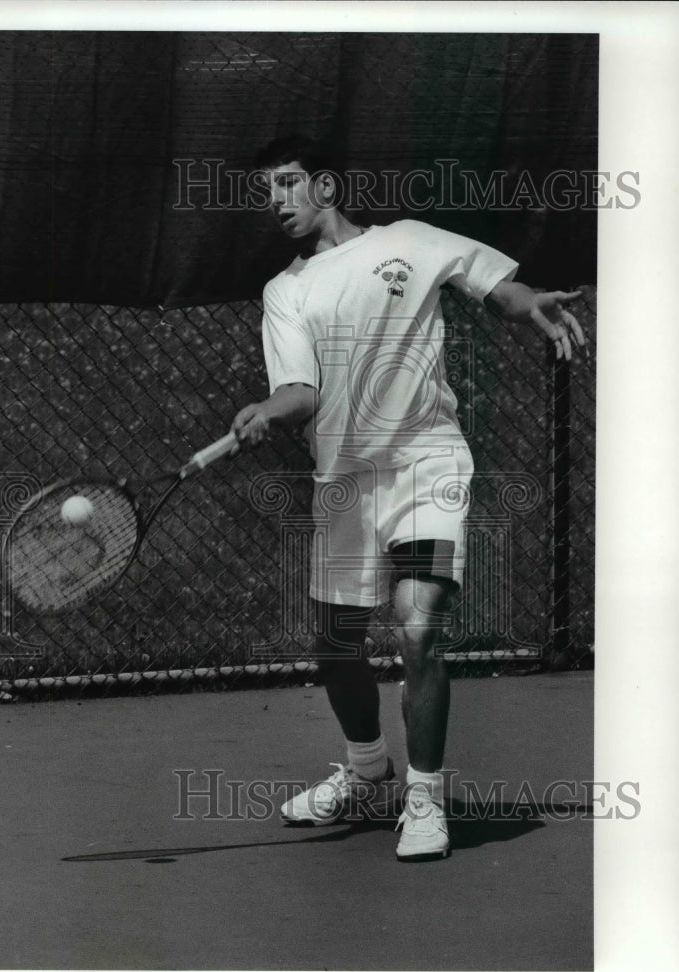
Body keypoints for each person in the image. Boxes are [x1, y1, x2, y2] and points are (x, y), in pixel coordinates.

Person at [231, 135, 585, 862]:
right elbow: (300, 390)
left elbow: (493, 286)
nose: (278, 203)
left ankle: (424, 798)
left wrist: (530, 304)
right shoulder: (285, 290)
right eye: (267, 193)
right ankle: (367, 773)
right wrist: (269, 412)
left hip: (426, 460)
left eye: (288, 185)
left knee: (418, 625)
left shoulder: (411, 241)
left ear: (325, 187)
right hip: (346, 480)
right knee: (334, 646)